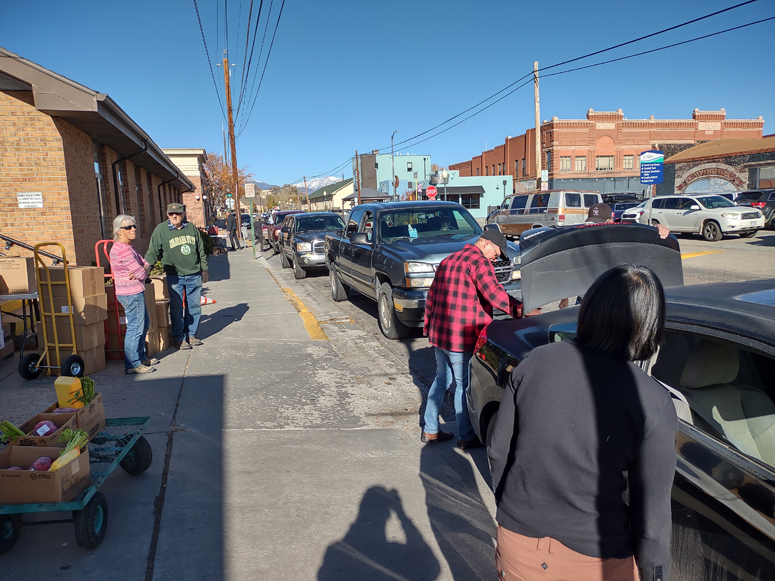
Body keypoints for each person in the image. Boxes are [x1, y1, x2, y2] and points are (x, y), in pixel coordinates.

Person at [489, 265, 677, 581]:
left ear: (588, 308)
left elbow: (498, 452)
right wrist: (656, 576)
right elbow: (652, 521)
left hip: (517, 546)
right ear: (648, 326)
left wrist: (515, 515)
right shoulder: (652, 400)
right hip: (597, 562)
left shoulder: (535, 362)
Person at [422, 228, 522, 449]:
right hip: (461, 337)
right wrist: (521, 310)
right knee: (463, 385)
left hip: (440, 334)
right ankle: (466, 436)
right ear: (485, 243)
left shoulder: (448, 260)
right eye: (496, 253)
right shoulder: (479, 263)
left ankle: (430, 429)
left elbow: (431, 296)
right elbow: (495, 295)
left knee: (441, 380)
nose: (496, 259)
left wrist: (428, 326)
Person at [558, 203, 670, 309]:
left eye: (598, 223)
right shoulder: (585, 237)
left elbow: (641, 231)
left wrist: (658, 227)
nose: (593, 227)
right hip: (585, 298)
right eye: (592, 223)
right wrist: (565, 297)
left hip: (610, 301)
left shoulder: (619, 237)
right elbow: (572, 267)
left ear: (610, 221)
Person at [145, 203, 210, 351]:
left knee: (194, 306)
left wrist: (204, 269)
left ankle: (191, 334)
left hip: (193, 274)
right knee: (176, 308)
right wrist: (145, 268)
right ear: (167, 215)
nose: (174, 216)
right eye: (171, 214)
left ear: (183, 214)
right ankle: (179, 338)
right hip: (175, 276)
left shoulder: (191, 228)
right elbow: (152, 252)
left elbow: (200, 249)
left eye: (178, 213)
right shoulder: (161, 230)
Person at [109, 215, 158, 374]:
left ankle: (141, 357)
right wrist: (142, 269)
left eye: (134, 226)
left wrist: (143, 268)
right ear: (118, 232)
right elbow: (142, 273)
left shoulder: (128, 247)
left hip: (134, 292)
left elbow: (145, 264)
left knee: (143, 325)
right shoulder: (123, 250)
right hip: (131, 294)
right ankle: (133, 364)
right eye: (128, 227)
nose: (133, 229)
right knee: (135, 329)